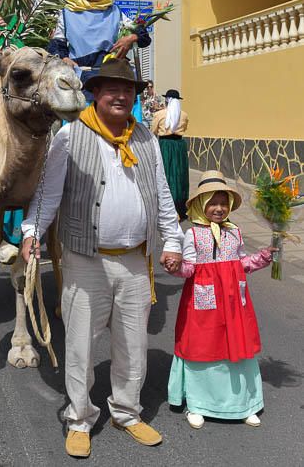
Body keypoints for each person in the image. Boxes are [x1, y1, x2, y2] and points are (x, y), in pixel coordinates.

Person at [21, 58, 183, 458]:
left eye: (127, 89)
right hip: (85, 260)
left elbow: (161, 193)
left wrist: (174, 241)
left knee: (133, 343)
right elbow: (48, 194)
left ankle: (126, 412)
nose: (121, 95)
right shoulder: (70, 136)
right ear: (94, 93)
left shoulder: (145, 137)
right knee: (81, 345)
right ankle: (79, 417)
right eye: (112, 88)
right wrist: (31, 233)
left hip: (134, 260)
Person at [167, 171, 277, 429]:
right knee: (202, 348)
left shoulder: (235, 232)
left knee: (236, 347)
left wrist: (264, 256)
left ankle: (244, 404)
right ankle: (198, 403)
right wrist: (175, 266)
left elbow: (242, 264)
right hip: (202, 305)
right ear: (200, 204)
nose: (219, 208)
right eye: (213, 203)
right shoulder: (193, 234)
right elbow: (189, 270)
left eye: (223, 202)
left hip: (233, 304)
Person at [48, 0, 151, 90]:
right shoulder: (66, 14)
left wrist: (131, 38)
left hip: (112, 77)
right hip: (79, 80)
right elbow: (56, 46)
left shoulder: (116, 12)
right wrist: (64, 59)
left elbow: (145, 38)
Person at [151, 89, 189, 219]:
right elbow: (185, 128)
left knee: (165, 173)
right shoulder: (184, 115)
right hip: (179, 146)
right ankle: (179, 206)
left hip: (165, 146)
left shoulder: (159, 114)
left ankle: (164, 206)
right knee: (179, 174)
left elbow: (153, 131)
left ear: (167, 99)